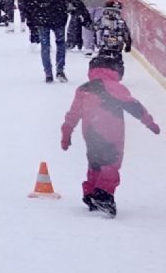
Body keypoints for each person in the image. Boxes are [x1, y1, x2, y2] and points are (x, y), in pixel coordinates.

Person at [62, 60, 161, 217]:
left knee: (95, 162)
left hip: (90, 132)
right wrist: (150, 123)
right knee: (111, 163)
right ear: (115, 71)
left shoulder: (83, 89)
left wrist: (66, 133)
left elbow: (73, 114)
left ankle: (90, 192)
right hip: (111, 132)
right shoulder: (116, 87)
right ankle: (103, 195)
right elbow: (135, 107)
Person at [24, 0, 89, 83]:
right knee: (60, 43)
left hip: (41, 16)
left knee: (45, 45)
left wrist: (30, 18)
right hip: (58, 15)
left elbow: (27, 0)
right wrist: (84, 14)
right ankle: (60, 70)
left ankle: (48, 73)